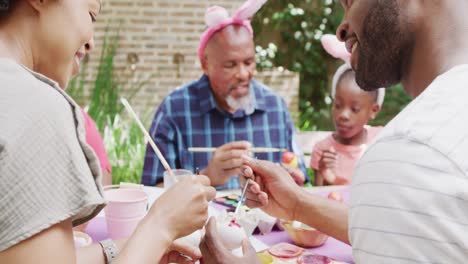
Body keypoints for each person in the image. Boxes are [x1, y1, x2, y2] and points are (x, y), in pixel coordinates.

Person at [200, 0, 468, 263]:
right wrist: (297, 204)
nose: (341, 29)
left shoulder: (411, 151)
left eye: (350, 2)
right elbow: (399, 230)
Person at [0, 0, 216, 263]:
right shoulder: (37, 105)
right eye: (91, 14)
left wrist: (129, 247)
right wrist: (161, 225)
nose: (91, 42)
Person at [142, 0, 307, 190]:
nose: (243, 74)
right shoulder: (174, 109)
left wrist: (292, 178)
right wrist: (207, 176)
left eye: (249, 62)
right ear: (205, 64)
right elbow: (151, 192)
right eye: (230, 65)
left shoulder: (275, 107)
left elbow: (299, 175)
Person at [311, 35, 384, 186]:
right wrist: (325, 175)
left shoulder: (380, 140)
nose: (343, 115)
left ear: (373, 110)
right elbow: (318, 198)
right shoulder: (323, 150)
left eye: (355, 109)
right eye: (338, 105)